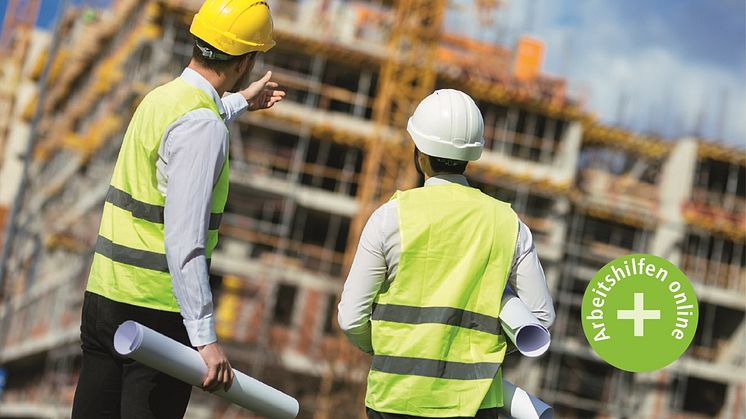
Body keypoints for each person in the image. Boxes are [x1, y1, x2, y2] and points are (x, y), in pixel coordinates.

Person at [71, 1, 284, 417]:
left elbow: (189, 129)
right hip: (157, 317)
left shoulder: (161, 98)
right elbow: (184, 239)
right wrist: (204, 338)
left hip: (105, 298)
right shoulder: (202, 125)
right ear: (248, 61)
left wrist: (239, 102)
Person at [338, 89, 555, 419]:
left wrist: (386, 348)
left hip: (395, 400)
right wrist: (485, 351)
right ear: (472, 157)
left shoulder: (389, 217)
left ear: (420, 155)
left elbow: (351, 317)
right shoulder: (509, 224)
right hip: (475, 406)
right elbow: (541, 319)